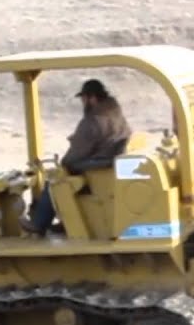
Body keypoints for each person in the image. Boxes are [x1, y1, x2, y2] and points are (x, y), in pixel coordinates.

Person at [20, 78, 132, 236]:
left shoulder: (93, 121)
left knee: (55, 178)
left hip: (100, 166)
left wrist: (63, 165)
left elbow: (74, 155)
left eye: (84, 99)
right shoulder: (115, 112)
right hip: (109, 161)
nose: (83, 103)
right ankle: (67, 221)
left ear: (92, 98)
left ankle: (39, 223)